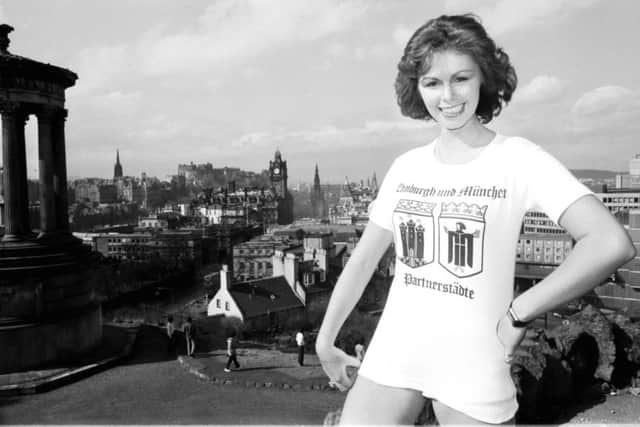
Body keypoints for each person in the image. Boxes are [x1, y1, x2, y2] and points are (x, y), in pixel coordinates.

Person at [315, 14, 636, 426]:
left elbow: (610, 241)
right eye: (432, 82)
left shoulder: (518, 159)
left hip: (472, 362)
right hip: (394, 352)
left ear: (485, 77)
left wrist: (521, 311)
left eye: (460, 78)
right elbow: (361, 263)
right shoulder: (406, 167)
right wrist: (326, 341)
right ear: (416, 89)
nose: (447, 96)